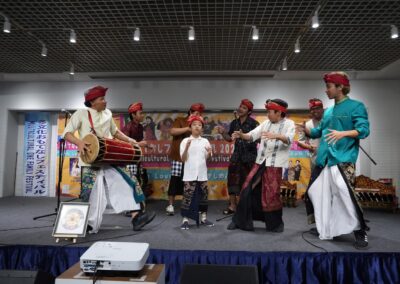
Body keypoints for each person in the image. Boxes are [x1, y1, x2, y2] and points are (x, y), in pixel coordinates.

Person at [62, 86, 155, 233]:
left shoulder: (107, 113)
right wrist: (79, 142)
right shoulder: (81, 114)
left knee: (128, 181)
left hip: (109, 157)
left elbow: (116, 133)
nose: (105, 101)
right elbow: (67, 134)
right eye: (102, 99)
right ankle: (87, 224)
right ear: (92, 102)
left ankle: (136, 217)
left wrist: (134, 143)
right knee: (92, 193)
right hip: (90, 160)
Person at [297, 72, 370, 248]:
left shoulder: (356, 106)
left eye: (329, 86)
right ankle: (325, 226)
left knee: (346, 196)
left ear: (340, 87)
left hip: (343, 159)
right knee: (313, 192)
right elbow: (318, 132)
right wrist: (305, 130)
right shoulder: (328, 112)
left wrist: (343, 133)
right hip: (324, 159)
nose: (326, 90)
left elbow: (364, 130)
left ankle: (360, 232)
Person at [228, 99, 295, 232]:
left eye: (270, 112)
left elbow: (288, 139)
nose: (268, 114)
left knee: (271, 195)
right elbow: (252, 136)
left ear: (279, 112)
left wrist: (276, 136)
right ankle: (239, 220)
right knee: (247, 188)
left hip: (275, 165)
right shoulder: (265, 123)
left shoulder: (289, 124)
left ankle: (275, 224)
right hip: (260, 162)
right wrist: (241, 135)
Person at [217, 99, 258, 215]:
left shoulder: (254, 124)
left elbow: (259, 138)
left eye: (244, 108)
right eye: (241, 106)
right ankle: (232, 206)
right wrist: (223, 133)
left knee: (247, 183)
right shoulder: (234, 123)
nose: (241, 109)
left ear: (249, 112)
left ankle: (244, 207)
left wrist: (245, 136)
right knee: (232, 182)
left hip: (249, 157)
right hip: (236, 157)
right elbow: (229, 139)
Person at [166, 103, 205, 216]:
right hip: (178, 157)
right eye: (196, 113)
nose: (197, 116)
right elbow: (172, 131)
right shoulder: (180, 120)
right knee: (174, 180)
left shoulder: (198, 124)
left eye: (199, 114)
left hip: (192, 159)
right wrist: (188, 128)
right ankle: (170, 205)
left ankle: (190, 205)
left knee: (191, 181)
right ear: (190, 112)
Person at [179, 115, 214, 229]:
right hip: (189, 174)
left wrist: (209, 153)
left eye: (199, 125)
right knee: (187, 198)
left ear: (202, 128)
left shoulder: (205, 141)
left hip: (202, 174)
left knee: (203, 197)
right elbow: (183, 159)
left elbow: (208, 158)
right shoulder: (185, 141)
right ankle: (185, 220)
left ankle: (203, 218)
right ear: (190, 127)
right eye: (194, 125)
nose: (197, 127)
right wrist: (187, 147)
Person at [298, 98, 324, 172]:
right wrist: (309, 147)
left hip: (329, 160)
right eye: (312, 109)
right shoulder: (306, 125)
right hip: (314, 162)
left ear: (322, 109)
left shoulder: (329, 122)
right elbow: (300, 142)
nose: (315, 111)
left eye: (317, 108)